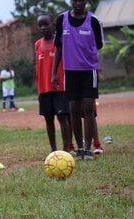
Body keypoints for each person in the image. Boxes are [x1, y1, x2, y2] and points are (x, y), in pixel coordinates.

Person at [52, 0, 103, 160]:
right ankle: (80, 148)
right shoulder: (61, 20)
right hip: (70, 71)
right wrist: (54, 72)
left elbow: (99, 45)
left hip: (89, 71)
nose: (78, 2)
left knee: (88, 108)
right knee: (73, 108)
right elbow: (59, 47)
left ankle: (88, 149)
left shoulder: (94, 21)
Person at [35, 15, 74, 154]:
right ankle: (53, 150)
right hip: (44, 88)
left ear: (52, 25)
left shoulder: (60, 42)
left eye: (46, 24)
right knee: (48, 119)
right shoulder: (38, 44)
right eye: (40, 25)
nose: (43, 27)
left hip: (60, 87)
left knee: (63, 117)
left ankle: (67, 149)